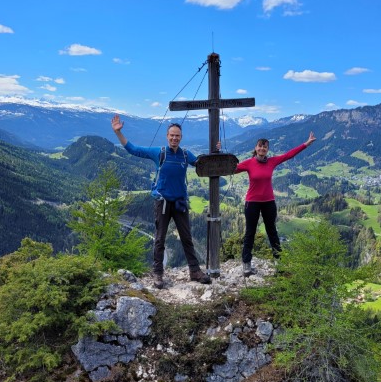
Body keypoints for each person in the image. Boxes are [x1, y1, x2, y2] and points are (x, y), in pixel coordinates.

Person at [111, 115, 212, 289]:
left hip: (180, 202)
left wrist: (215, 151)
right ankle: (158, 274)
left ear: (181, 137)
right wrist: (119, 132)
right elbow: (133, 149)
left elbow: (202, 164)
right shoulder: (160, 153)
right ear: (167, 136)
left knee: (187, 238)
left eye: (177, 136)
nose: (174, 138)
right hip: (163, 202)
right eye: (172, 135)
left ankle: (194, 271)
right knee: (160, 239)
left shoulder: (186, 155)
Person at [235, 132, 316, 277]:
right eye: (260, 146)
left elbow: (289, 155)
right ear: (256, 148)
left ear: (267, 149)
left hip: (268, 202)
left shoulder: (272, 161)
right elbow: (231, 169)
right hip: (252, 202)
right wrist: (219, 153)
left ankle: (280, 263)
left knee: (272, 232)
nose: (262, 149)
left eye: (265, 147)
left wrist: (306, 144)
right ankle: (246, 265)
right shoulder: (248, 163)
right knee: (250, 233)